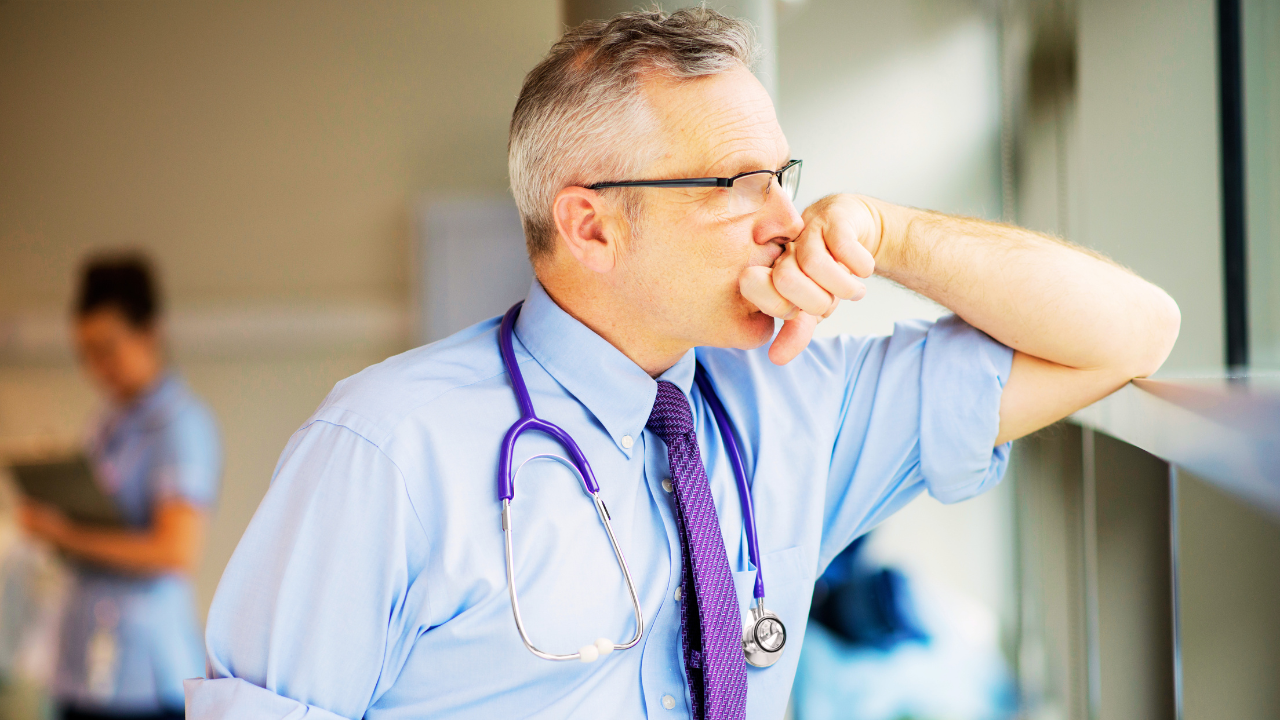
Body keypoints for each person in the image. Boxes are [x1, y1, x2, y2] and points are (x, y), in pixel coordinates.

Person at [187, 9, 1179, 720]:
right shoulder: (387, 448)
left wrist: (888, 234)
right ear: (591, 226)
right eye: (733, 184)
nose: (787, 220)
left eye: (780, 177)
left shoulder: (799, 410)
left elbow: (1130, 330)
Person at [20, 255, 221, 720]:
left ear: (149, 332)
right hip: (90, 666)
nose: (96, 367)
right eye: (85, 352)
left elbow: (175, 550)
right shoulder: (109, 423)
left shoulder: (182, 426)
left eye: (107, 348)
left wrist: (62, 533)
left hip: (143, 676)